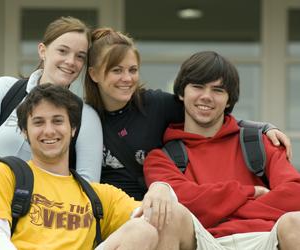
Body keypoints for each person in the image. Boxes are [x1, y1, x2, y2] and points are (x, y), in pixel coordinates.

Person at [0, 83, 188, 250]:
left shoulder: (97, 195)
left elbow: (159, 216)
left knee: (143, 230)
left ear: (73, 129)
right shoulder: (4, 174)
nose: (48, 131)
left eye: (58, 121)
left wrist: (162, 187)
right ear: (24, 131)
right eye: (38, 122)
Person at [84, 27, 292, 200]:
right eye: (116, 70)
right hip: (109, 213)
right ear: (94, 74)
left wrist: (263, 129)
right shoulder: (83, 118)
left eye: (132, 70)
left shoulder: (156, 105)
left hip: (155, 210)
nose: (127, 78)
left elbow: (209, 113)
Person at [144, 51, 300, 250]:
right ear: (182, 93)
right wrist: (250, 192)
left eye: (217, 90)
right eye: (198, 87)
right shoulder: (160, 158)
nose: (206, 96)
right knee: (168, 215)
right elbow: (184, 201)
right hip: (204, 240)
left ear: (228, 100)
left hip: (264, 238)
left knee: (296, 223)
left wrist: (222, 210)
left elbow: (295, 194)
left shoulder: (258, 143)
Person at [0, 16, 103, 212]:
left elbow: (88, 187)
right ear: (43, 51)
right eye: (63, 51)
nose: (71, 61)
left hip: (43, 221)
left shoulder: (86, 117)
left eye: (80, 56)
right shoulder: (5, 89)